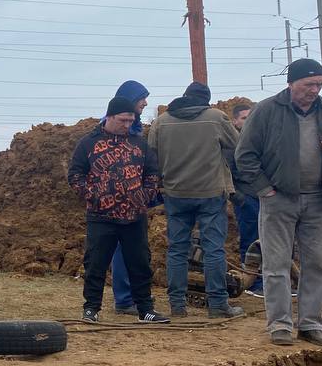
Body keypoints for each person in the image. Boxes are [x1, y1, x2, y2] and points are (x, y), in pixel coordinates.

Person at [235, 58, 322, 347]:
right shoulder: (266, 111)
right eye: (308, 85)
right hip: (279, 199)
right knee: (276, 265)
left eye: (318, 85)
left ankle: (310, 325)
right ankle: (279, 325)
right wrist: (264, 189)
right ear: (291, 83)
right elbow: (245, 155)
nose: (314, 90)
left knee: (318, 264)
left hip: (319, 199)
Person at [68, 97, 169, 324]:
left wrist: (145, 196)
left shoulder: (139, 144)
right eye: (123, 120)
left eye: (131, 120)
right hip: (100, 216)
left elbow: (152, 173)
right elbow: (75, 175)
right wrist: (94, 196)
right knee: (95, 262)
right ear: (110, 117)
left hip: (134, 216)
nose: (127, 125)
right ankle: (91, 309)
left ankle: (145, 309)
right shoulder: (88, 144)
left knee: (140, 262)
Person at [147, 81, 243, 318]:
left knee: (177, 250)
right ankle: (218, 305)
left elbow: (151, 156)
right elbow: (238, 146)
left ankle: (177, 305)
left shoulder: (161, 121)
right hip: (210, 193)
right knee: (213, 250)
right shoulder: (216, 117)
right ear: (206, 100)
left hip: (175, 194)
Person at [109, 80, 151, 315]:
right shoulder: (113, 131)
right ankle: (124, 300)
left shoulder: (136, 130)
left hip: (136, 200)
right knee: (121, 250)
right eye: (141, 98)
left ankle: (134, 296)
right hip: (117, 201)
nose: (145, 103)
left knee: (136, 250)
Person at [228, 103, 263, 298]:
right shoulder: (232, 142)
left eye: (250, 117)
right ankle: (253, 283)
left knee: (272, 239)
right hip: (246, 198)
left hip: (265, 196)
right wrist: (239, 198)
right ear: (235, 121)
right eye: (243, 118)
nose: (247, 121)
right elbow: (228, 171)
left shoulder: (261, 139)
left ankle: (270, 281)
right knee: (250, 239)